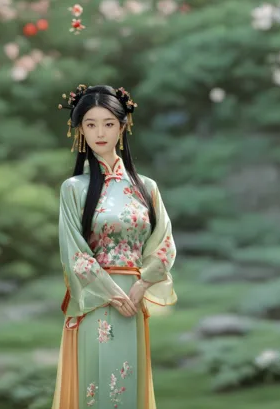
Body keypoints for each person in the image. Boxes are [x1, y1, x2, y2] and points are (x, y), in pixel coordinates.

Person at [51, 84, 177, 409]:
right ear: (80, 130)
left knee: (127, 384)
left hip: (134, 300)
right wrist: (113, 294)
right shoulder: (74, 189)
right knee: (96, 387)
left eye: (108, 123)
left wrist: (141, 286)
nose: (99, 132)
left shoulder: (146, 187)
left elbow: (163, 243)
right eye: (90, 124)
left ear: (123, 127)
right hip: (94, 300)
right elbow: (75, 252)